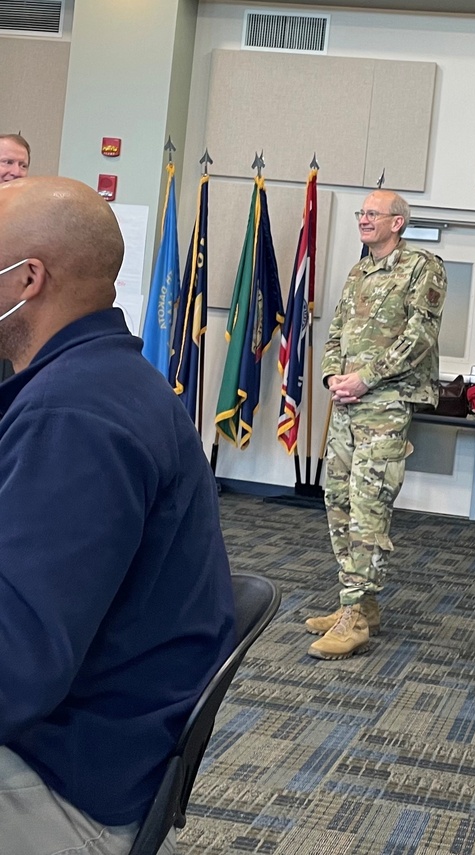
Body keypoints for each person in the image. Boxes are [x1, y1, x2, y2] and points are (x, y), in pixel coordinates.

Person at [0, 176, 236, 854]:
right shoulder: (98, 381)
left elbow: (15, 668)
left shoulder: (77, 415)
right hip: (87, 743)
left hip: (68, 789)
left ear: (27, 278)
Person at [305, 189, 447, 660]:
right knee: (338, 498)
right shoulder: (358, 270)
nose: (363, 220)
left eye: (373, 214)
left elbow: (420, 337)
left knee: (369, 505)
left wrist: (366, 378)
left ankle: (354, 617)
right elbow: (338, 332)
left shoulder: (422, 267)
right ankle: (359, 602)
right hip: (346, 404)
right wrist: (331, 376)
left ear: (398, 223)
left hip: (385, 405)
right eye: (361, 213)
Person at [0, 134, 29, 382]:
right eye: (7, 162)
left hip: (12, 331)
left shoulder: (32, 214)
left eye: (23, 165)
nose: (15, 172)